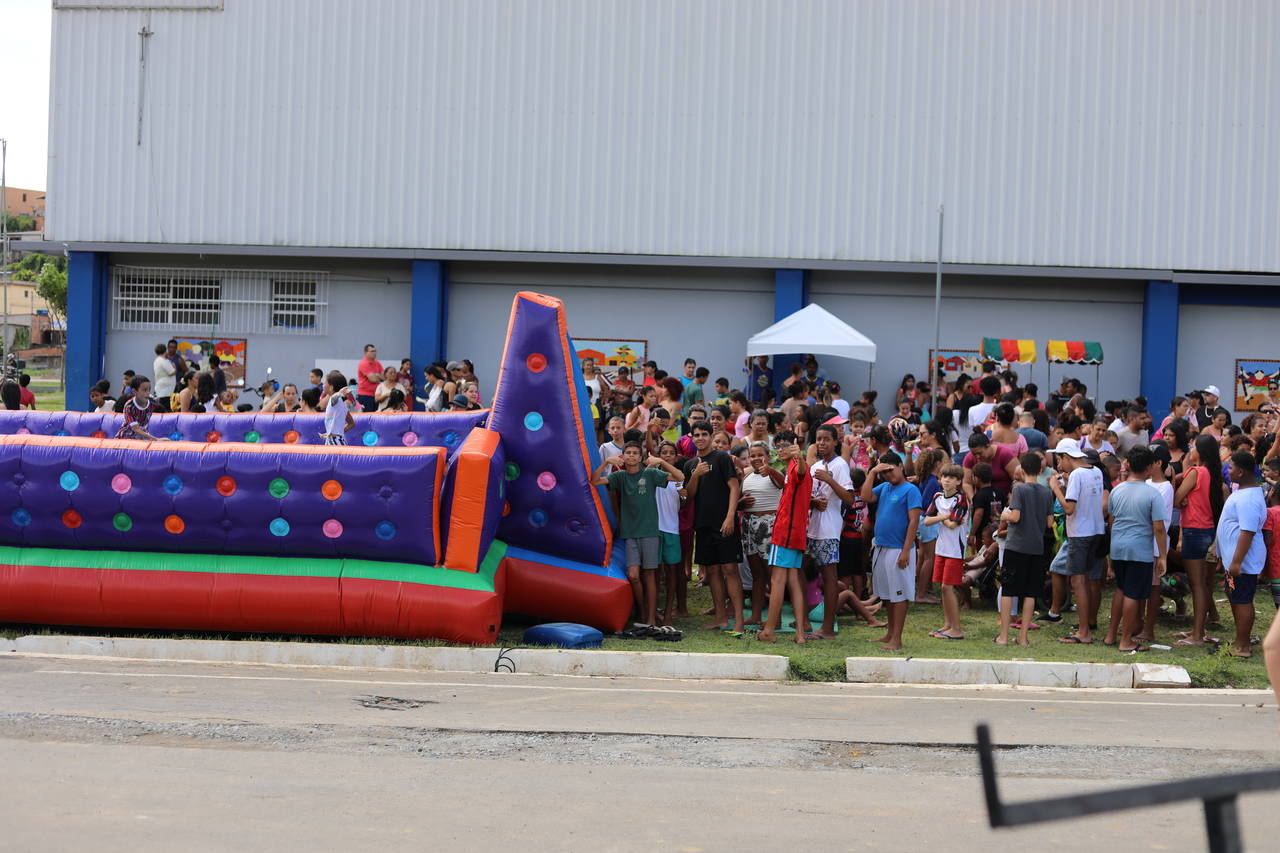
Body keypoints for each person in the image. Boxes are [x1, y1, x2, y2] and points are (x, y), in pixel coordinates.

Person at [593, 441, 685, 632]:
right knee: (633, 575)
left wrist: (661, 461)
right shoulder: (620, 476)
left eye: (635, 453)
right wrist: (606, 463)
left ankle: (650, 619)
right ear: (623, 456)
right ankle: (643, 612)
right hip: (630, 532)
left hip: (650, 531)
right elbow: (594, 481)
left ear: (641, 458)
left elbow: (679, 476)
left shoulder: (650, 473)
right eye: (628, 453)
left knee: (650, 574)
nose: (632, 456)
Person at [1100, 447, 1168, 653]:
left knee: (1121, 589)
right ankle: (1126, 640)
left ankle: (1111, 635)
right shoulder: (1152, 494)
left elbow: (1111, 518)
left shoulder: (1117, 489)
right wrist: (1163, 556)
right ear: (1149, 467)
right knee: (1132, 593)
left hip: (1118, 546)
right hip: (1139, 549)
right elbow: (1159, 527)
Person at [683, 422, 744, 634]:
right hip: (703, 524)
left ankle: (738, 620)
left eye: (704, 434)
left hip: (724, 522)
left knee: (730, 569)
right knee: (713, 572)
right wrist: (695, 475)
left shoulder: (722, 458)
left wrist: (730, 517)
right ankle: (720, 618)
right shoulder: (691, 464)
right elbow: (688, 497)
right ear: (691, 437)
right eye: (696, 435)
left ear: (711, 436)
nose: (700, 438)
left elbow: (734, 487)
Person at [1046, 438, 1106, 645]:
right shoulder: (1094, 471)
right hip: (1096, 531)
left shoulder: (1078, 474)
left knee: (1078, 582)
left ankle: (1083, 632)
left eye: (1059, 460)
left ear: (1066, 457)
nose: (1058, 466)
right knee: (1087, 580)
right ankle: (1086, 625)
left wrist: (1055, 487)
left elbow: (1069, 509)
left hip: (1080, 533)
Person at [861, 451, 922, 651]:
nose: (888, 475)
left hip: (898, 549)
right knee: (887, 595)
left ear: (900, 467)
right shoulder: (884, 487)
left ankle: (897, 639)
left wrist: (906, 550)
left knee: (899, 595)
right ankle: (890, 634)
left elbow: (914, 522)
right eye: (884, 472)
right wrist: (872, 474)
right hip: (881, 547)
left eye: (890, 470)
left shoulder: (910, 490)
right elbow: (865, 496)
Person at [757, 437, 814, 645]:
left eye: (784, 446)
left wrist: (799, 457)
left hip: (786, 533)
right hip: (795, 533)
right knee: (793, 582)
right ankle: (799, 633)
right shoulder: (790, 467)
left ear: (794, 447)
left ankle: (769, 630)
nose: (779, 450)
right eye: (777, 446)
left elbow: (800, 472)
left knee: (777, 581)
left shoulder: (798, 466)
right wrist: (774, 471)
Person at [1173, 433, 1229, 645]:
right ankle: (1199, 630)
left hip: (1194, 531)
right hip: (1207, 531)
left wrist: (1183, 497)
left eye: (1193, 446)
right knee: (1203, 585)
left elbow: (1177, 500)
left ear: (1200, 452)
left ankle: (1197, 635)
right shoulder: (1210, 475)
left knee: (1197, 586)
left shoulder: (1196, 472)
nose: (1190, 449)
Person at [995, 453, 1054, 646]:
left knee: (1009, 590)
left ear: (1021, 469)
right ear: (1039, 470)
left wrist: (1005, 514)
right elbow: (1049, 522)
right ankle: (1023, 638)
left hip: (1016, 546)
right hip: (1035, 547)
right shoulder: (1046, 492)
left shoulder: (1019, 489)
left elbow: (1016, 517)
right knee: (1030, 592)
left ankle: (1003, 636)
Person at [1217, 450, 1267, 658]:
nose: (1228, 471)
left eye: (1231, 467)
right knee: (1235, 596)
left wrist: (1237, 562)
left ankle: (1243, 645)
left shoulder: (1248, 499)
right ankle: (1240, 638)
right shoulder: (1241, 492)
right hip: (1233, 561)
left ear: (1242, 471)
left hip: (1242, 562)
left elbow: (1247, 532)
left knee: (1243, 599)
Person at [807, 424, 855, 639]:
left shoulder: (840, 465)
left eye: (827, 439)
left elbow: (849, 498)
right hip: (812, 529)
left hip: (829, 529)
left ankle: (828, 626)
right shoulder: (815, 465)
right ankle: (806, 620)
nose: (822, 443)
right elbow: (806, 496)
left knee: (829, 577)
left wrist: (829, 479)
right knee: (807, 574)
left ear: (836, 442)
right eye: (819, 439)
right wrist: (812, 501)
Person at [739, 441, 784, 626]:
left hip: (769, 526)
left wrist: (771, 470)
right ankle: (756, 615)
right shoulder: (747, 476)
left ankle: (777, 619)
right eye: (753, 455)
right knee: (757, 573)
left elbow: (784, 483)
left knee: (772, 574)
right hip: (749, 526)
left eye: (760, 455)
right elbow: (738, 502)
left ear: (768, 456)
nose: (756, 458)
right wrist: (742, 503)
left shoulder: (773, 474)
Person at [925, 464, 969, 641]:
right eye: (944, 477)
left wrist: (940, 518)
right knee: (942, 589)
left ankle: (957, 629)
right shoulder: (937, 497)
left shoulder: (961, 499)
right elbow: (927, 520)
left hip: (955, 551)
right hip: (941, 548)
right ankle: (947, 625)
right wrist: (944, 516)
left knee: (947, 587)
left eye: (952, 478)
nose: (947, 480)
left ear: (958, 481)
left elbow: (954, 524)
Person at [962, 432, 1020, 497]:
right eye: (974, 454)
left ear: (988, 445)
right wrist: (973, 499)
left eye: (980, 453)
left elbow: (1019, 479)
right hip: (982, 500)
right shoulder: (969, 458)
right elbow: (966, 483)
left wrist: (1011, 494)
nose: (977, 456)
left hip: (1005, 498)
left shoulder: (1005, 454)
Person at [114, 376, 158, 440]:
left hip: (140, 439)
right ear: (134, 391)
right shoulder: (130, 406)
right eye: (144, 390)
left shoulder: (152, 403)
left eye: (149, 390)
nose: (148, 393)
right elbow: (136, 429)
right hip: (125, 438)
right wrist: (156, 439)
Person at [322, 373, 356, 445]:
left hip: (335, 442)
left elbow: (334, 399)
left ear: (331, 387)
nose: (323, 385)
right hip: (335, 440)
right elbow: (351, 424)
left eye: (325, 383)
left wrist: (339, 394)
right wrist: (333, 432)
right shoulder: (341, 404)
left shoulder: (333, 400)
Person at [355, 345, 384, 412]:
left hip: (376, 395)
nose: (374, 353)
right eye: (372, 351)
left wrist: (376, 375)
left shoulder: (377, 363)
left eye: (375, 351)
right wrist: (378, 376)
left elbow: (384, 377)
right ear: (366, 353)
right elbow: (373, 379)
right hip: (365, 396)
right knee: (366, 417)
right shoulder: (363, 363)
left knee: (376, 416)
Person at [152, 343, 176, 410]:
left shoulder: (156, 360)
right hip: (166, 391)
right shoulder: (163, 361)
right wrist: (174, 366)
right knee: (166, 409)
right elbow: (171, 372)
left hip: (162, 390)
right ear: (165, 351)